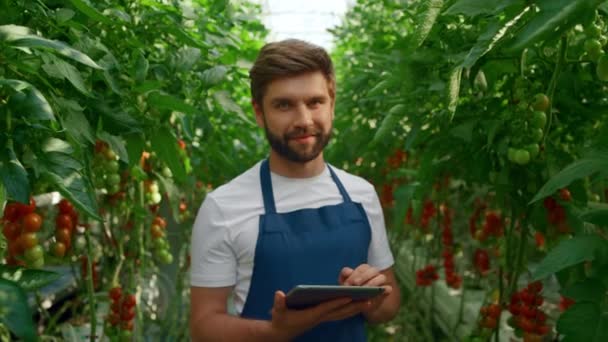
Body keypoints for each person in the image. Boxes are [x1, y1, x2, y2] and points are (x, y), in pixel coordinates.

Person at [189, 39, 401, 341]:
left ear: (332, 103)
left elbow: (389, 305)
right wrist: (273, 332)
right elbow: (203, 326)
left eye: (315, 102)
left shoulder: (362, 194)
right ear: (259, 112)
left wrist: (374, 300)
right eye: (284, 105)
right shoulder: (223, 207)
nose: (303, 120)